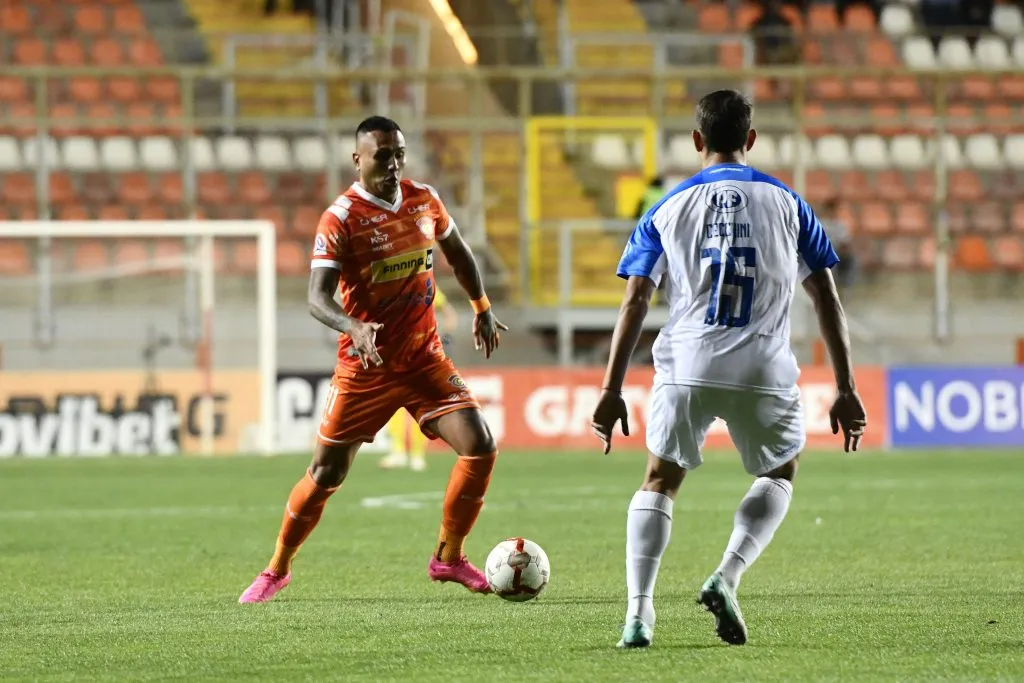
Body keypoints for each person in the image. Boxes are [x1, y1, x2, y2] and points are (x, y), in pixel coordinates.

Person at [591, 90, 867, 649]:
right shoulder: (790, 204)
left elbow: (636, 302)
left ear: (697, 141)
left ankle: (639, 616)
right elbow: (827, 299)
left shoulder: (665, 208)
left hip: (687, 363)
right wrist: (845, 387)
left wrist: (611, 387)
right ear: (751, 140)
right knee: (780, 472)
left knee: (659, 481)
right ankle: (727, 574)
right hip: (763, 366)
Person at [239, 115, 508, 603]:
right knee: (326, 474)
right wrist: (354, 326)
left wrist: (482, 307)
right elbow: (317, 299)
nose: (393, 163)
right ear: (357, 159)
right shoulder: (340, 218)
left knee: (480, 445)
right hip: (368, 367)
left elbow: (460, 254)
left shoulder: (424, 199)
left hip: (424, 358)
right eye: (382, 155)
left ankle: (447, 558)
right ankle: (277, 567)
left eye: (399, 153)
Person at [379, 284, 460, 471]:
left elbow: (448, 312)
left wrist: (445, 337)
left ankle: (416, 455)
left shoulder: (426, 285)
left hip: (423, 355)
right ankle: (398, 452)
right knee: (396, 403)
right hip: (399, 354)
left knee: (420, 405)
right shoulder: (395, 287)